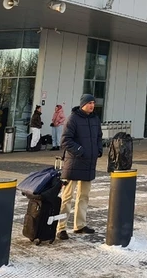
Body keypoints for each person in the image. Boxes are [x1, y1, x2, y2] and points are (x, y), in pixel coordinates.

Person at [56, 94, 103, 240]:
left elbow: (99, 137)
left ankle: (80, 225)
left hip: (89, 163)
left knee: (84, 196)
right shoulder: (73, 119)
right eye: (89, 103)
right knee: (67, 197)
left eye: (93, 103)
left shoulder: (95, 119)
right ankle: (61, 227)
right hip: (74, 163)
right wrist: (80, 151)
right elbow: (65, 141)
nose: (92, 105)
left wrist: (98, 150)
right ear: (82, 104)